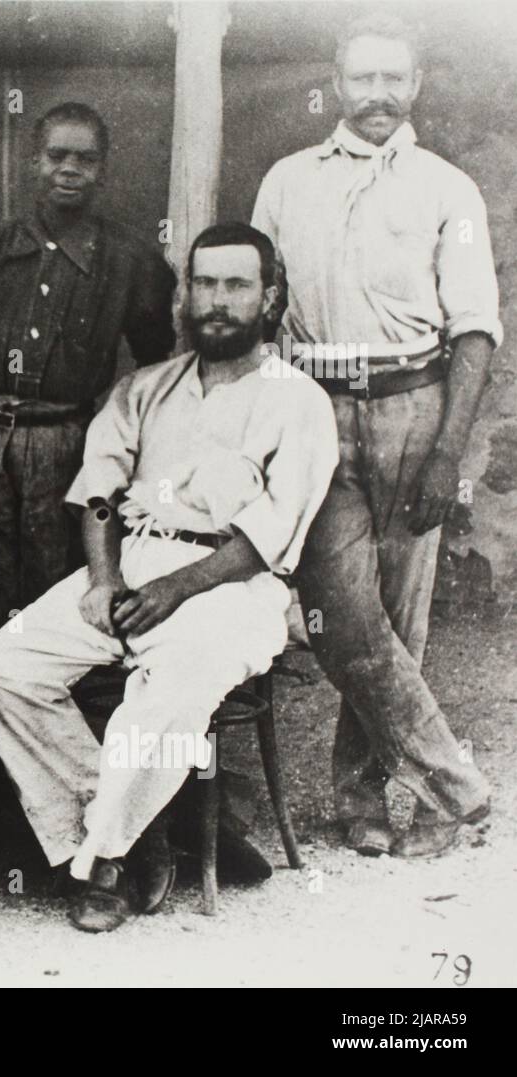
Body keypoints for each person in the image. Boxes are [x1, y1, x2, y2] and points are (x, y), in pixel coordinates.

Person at [0, 224, 338, 932]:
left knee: (169, 694)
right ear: (186, 294)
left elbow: (268, 535)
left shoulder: (298, 401)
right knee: (3, 664)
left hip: (230, 585)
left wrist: (175, 590)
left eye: (237, 285)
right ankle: (124, 825)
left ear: (270, 298)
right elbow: (101, 492)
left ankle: (103, 864)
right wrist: (105, 580)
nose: (217, 301)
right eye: (204, 283)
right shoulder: (144, 388)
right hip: (133, 561)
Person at [251, 14, 498, 858]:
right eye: (364, 79)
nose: (379, 95)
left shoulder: (447, 189)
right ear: (338, 79)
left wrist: (448, 450)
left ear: (416, 84)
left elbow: (474, 332)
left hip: (412, 402)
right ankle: (455, 783)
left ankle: (372, 802)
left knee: (399, 614)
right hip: (315, 406)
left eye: (395, 79)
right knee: (339, 614)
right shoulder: (286, 182)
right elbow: (263, 311)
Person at [0, 102, 176, 652]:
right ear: (32, 162)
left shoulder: (128, 259)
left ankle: (45, 695)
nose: (69, 169)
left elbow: (155, 364)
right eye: (56, 156)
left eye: (85, 159)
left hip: (64, 441)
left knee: (54, 572)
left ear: (104, 171)